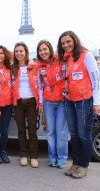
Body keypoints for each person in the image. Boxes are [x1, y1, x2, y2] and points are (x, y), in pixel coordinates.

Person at [57, 31, 100, 179]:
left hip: (84, 100)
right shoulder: (66, 58)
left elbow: (95, 79)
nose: (66, 45)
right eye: (63, 43)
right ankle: (75, 163)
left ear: (75, 41)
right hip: (69, 100)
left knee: (84, 135)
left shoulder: (86, 55)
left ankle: (84, 165)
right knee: (74, 135)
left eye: (68, 42)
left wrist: (97, 102)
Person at [36, 40, 68, 168]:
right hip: (48, 101)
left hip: (61, 101)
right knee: (50, 131)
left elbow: (68, 78)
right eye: (40, 50)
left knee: (60, 131)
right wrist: (40, 101)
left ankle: (61, 157)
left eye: (45, 49)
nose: (43, 52)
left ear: (50, 49)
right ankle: (52, 157)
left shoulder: (61, 60)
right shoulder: (39, 66)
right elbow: (39, 85)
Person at [11, 42, 41, 168]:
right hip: (18, 102)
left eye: (21, 51)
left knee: (33, 131)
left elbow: (40, 84)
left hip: (31, 102)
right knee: (21, 130)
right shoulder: (12, 68)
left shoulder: (34, 66)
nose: (19, 53)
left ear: (26, 52)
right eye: (16, 51)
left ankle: (33, 156)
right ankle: (23, 155)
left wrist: (40, 102)